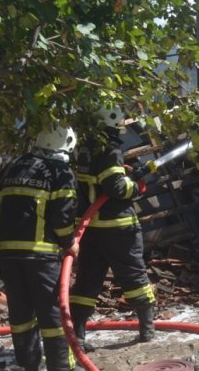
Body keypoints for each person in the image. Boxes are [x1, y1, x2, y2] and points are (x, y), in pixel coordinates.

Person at [0, 124, 80, 371]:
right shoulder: (60, 171)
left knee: (20, 312)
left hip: (7, 253)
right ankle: (61, 366)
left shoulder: (13, 166)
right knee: (52, 314)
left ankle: (28, 364)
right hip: (40, 256)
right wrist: (69, 243)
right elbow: (61, 216)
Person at [69, 105, 155, 351]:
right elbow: (116, 188)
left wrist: (124, 175)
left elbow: (98, 181)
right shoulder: (109, 147)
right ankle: (147, 331)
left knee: (87, 280)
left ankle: (78, 334)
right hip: (117, 227)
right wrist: (136, 186)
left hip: (89, 229)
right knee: (133, 275)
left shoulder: (83, 147)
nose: (121, 130)